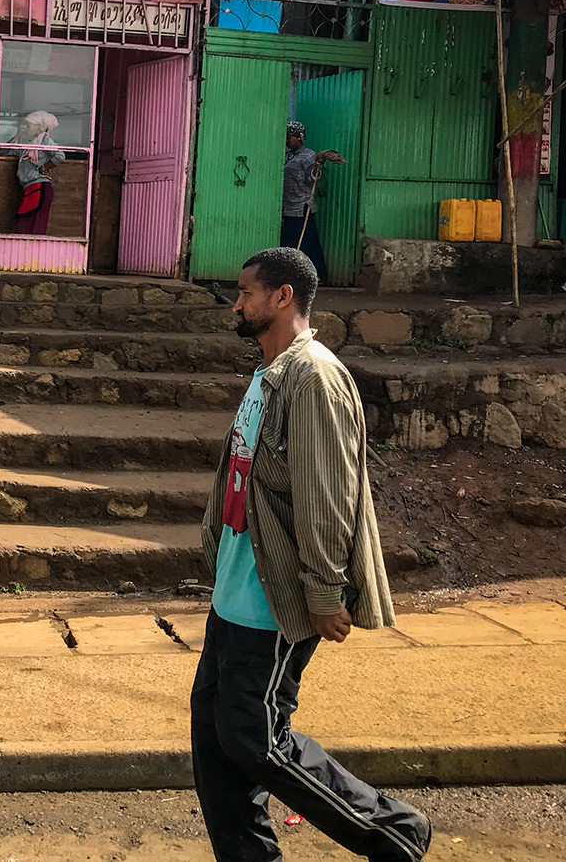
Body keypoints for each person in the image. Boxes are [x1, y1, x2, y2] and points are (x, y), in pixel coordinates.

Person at [190, 247, 431, 862]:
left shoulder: (313, 378)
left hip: (275, 598)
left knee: (257, 739)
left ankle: (395, 832)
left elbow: (326, 494)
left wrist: (324, 591)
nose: (237, 305)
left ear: (283, 297)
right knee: (217, 740)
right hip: (236, 589)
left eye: (246, 293)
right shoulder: (268, 374)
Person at [280, 121, 341, 282]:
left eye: (290, 136)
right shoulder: (287, 155)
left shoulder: (308, 156)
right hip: (287, 205)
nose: (287, 140)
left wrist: (316, 166)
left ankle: (318, 274)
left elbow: (312, 179)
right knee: (289, 241)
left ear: (300, 137)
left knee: (307, 242)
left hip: (301, 206)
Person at [5, 110, 65, 235]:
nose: (25, 127)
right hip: (29, 187)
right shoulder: (27, 144)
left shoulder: (45, 141)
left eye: (28, 125)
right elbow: (5, 152)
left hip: (40, 186)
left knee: (35, 227)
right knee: (24, 226)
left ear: (39, 128)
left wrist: (44, 167)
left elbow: (60, 155)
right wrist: (17, 136)